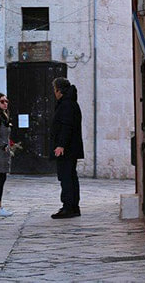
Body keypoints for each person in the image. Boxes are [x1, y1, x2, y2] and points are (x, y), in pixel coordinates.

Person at [49, 77, 84, 218]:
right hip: (71, 148)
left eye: (54, 89)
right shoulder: (70, 103)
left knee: (66, 177)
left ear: (59, 90)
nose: (54, 93)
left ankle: (68, 206)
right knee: (71, 176)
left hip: (67, 149)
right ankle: (73, 206)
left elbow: (66, 126)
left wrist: (60, 145)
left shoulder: (66, 104)